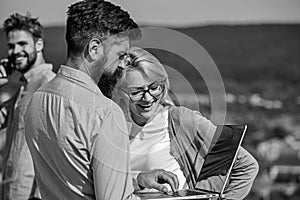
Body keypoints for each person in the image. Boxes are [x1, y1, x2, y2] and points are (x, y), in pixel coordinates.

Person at [25, 1, 178, 200]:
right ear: (94, 49)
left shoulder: (38, 100)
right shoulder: (105, 113)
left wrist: (136, 179)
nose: (124, 65)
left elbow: (78, 179)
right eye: (121, 55)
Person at [98, 47, 260, 200]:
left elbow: (247, 166)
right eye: (137, 92)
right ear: (119, 93)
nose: (147, 98)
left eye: (154, 87)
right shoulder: (112, 125)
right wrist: (139, 178)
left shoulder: (183, 120)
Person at [0, 13, 56, 200]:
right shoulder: (23, 88)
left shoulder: (49, 84)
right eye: (11, 46)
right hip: (11, 192)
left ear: (39, 45)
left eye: (22, 44)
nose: (15, 51)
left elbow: (56, 148)